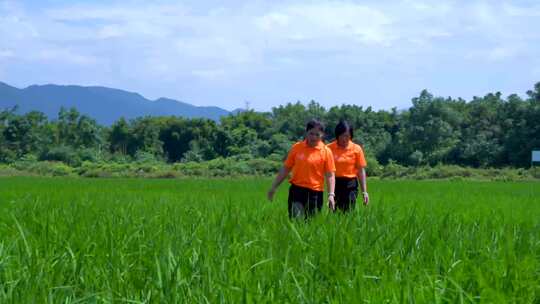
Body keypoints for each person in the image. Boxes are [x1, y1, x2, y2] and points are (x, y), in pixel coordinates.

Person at [267, 119, 336, 219]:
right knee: (296, 220)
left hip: (315, 193)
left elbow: (330, 175)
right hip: (297, 191)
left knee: (311, 225)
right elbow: (286, 168)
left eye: (317, 134)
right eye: (311, 133)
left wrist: (331, 195)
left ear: (322, 135)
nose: (314, 137)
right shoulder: (297, 147)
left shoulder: (326, 151)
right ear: (306, 132)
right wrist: (274, 187)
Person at [327, 120, 369, 212]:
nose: (344, 138)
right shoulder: (329, 149)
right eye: (342, 135)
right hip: (335, 183)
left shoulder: (356, 149)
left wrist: (364, 192)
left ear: (351, 136)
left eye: (347, 136)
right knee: (334, 211)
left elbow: (361, 171)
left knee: (348, 209)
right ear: (337, 135)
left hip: (350, 184)